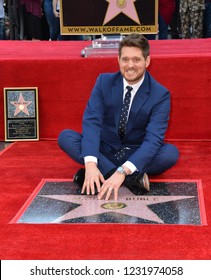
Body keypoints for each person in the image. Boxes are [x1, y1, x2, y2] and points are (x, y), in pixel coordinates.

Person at [58, 33, 179, 201]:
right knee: (66, 137)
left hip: (135, 152)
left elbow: (153, 139)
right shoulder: (103, 82)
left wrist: (122, 170)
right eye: (125, 59)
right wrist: (91, 164)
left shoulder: (160, 94)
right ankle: (131, 179)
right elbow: (92, 122)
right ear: (118, 60)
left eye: (136, 60)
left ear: (147, 61)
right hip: (105, 150)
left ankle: (107, 173)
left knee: (170, 154)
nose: (130, 65)